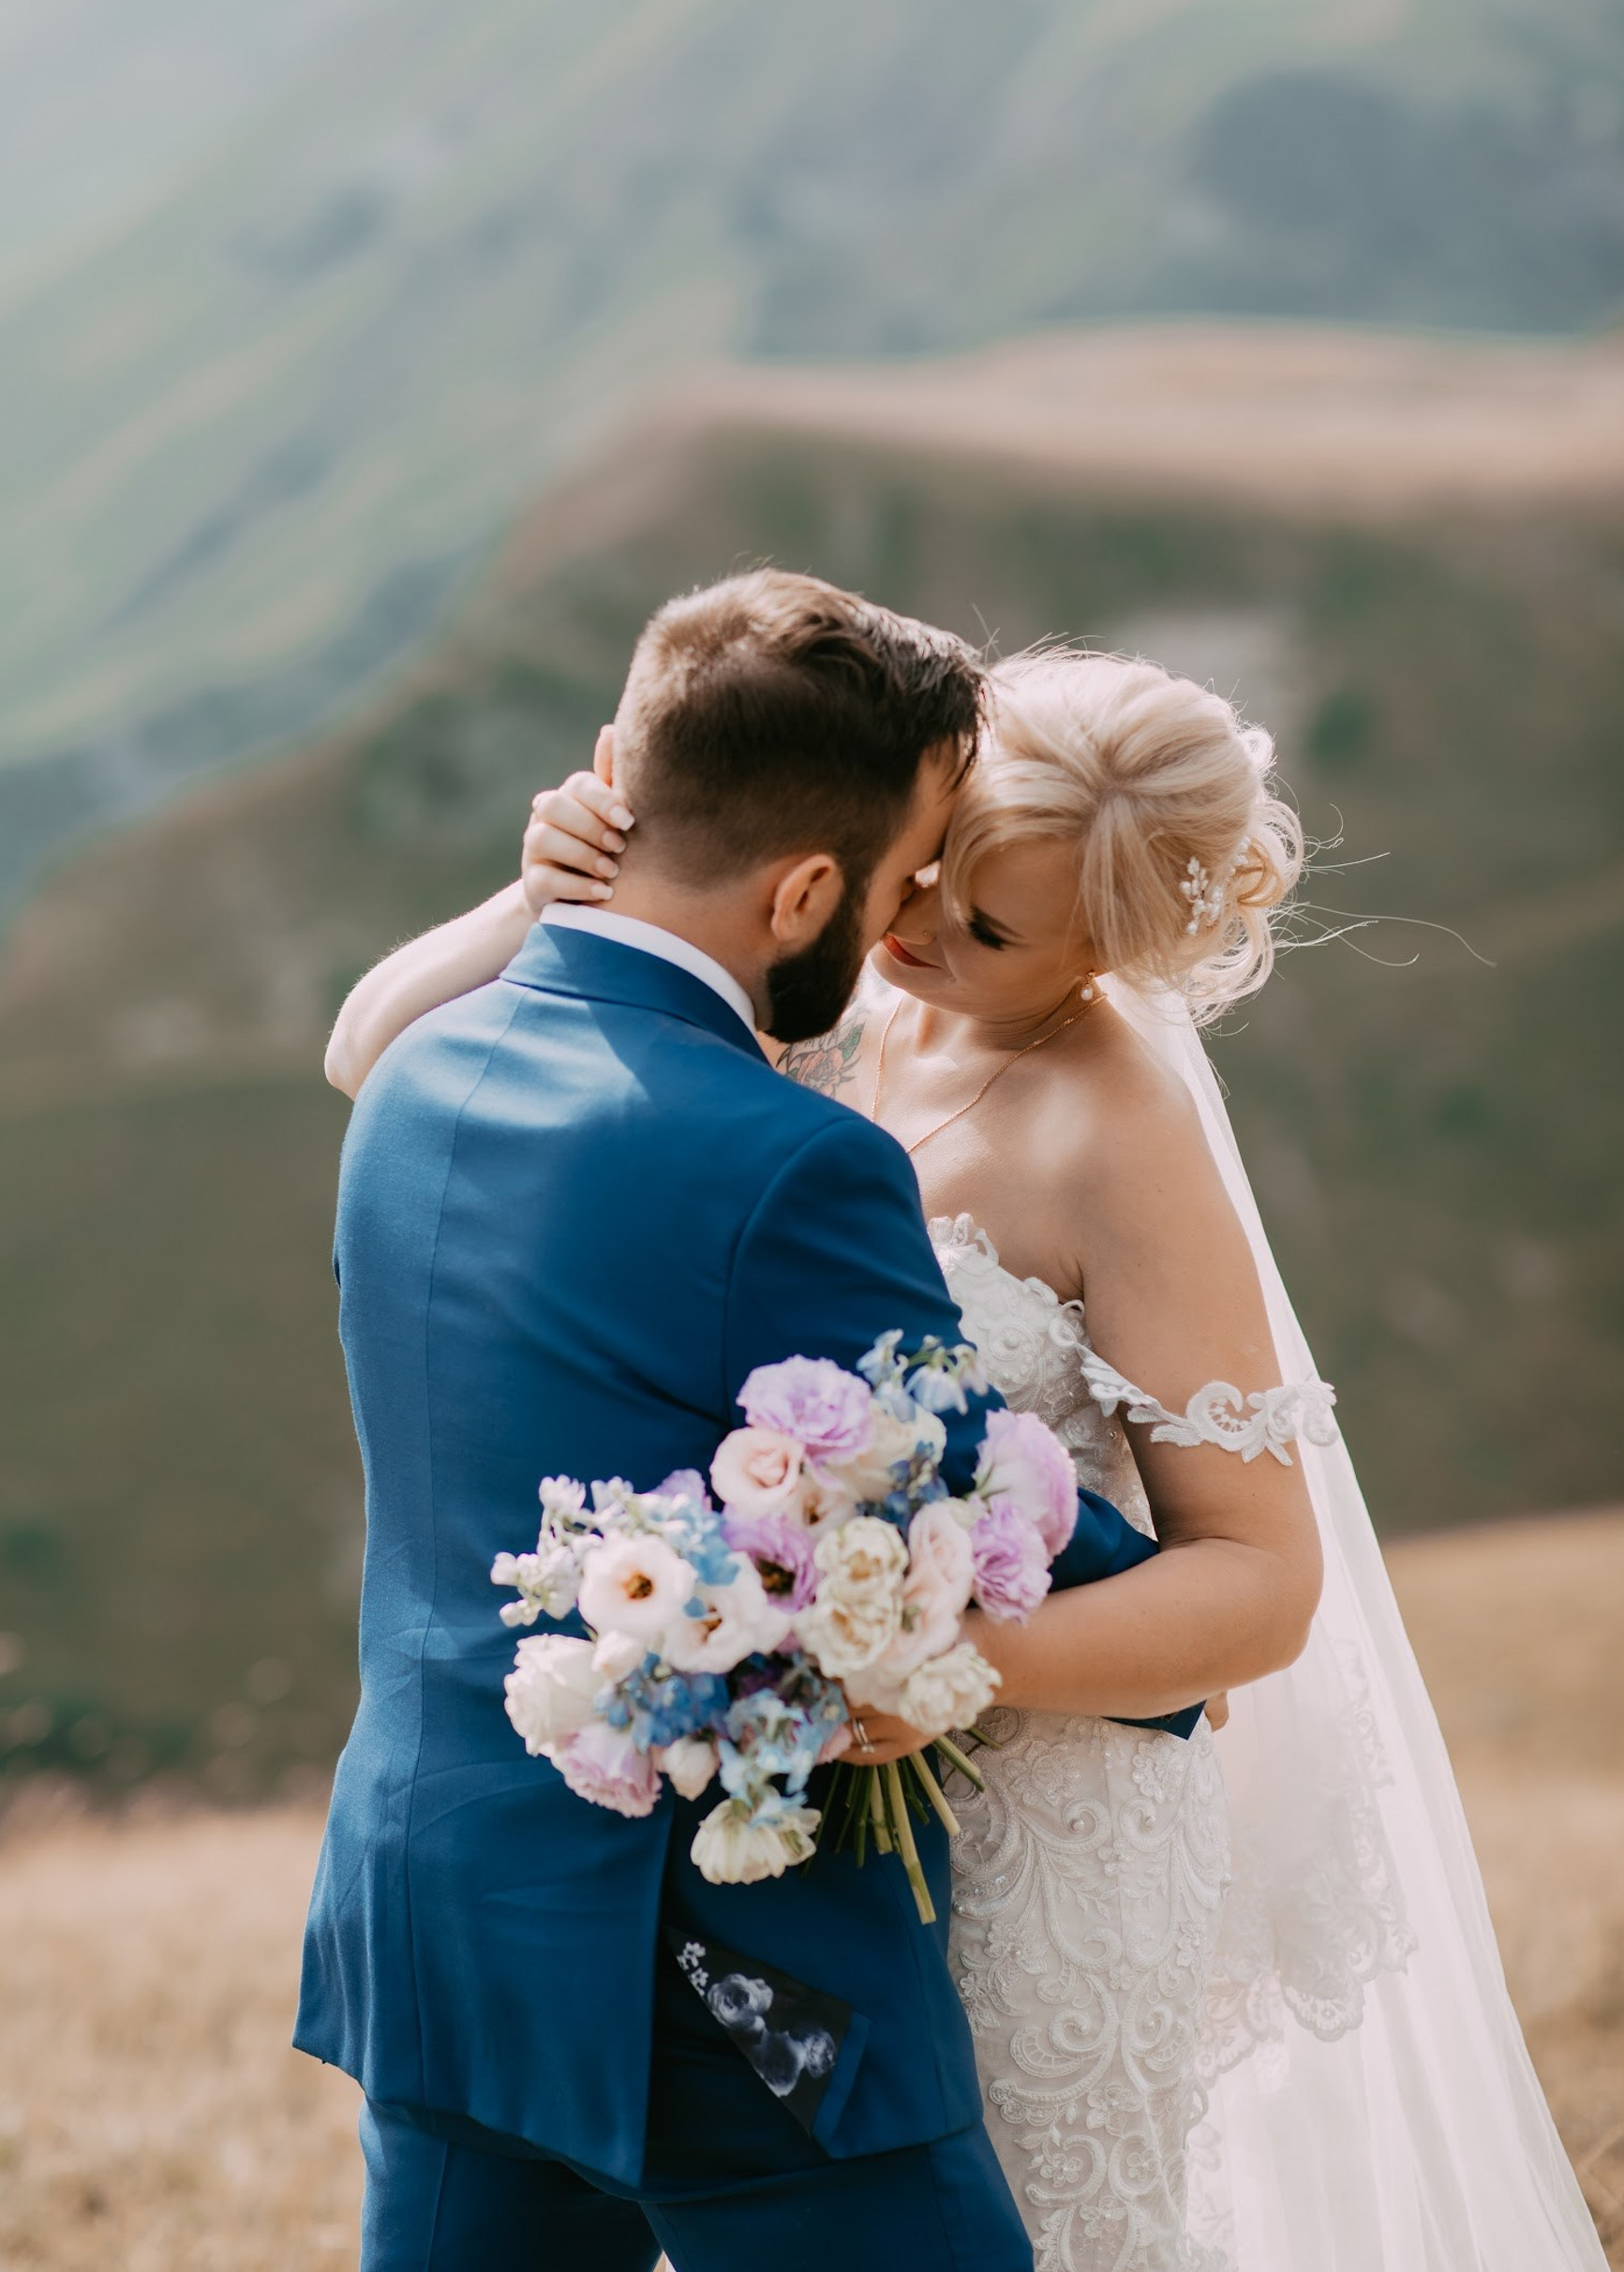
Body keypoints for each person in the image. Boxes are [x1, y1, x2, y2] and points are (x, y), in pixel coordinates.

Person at [330, 629, 1608, 2272]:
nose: (911, 929)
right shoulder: (830, 999)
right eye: (918, 873)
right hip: (765, 1841)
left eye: (984, 926)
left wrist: (905, 1662)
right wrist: (562, 896)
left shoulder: (1113, 1133)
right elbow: (405, 1064)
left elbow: (1257, 1591)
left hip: (1041, 1839)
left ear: (1098, 957)